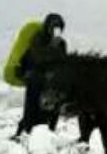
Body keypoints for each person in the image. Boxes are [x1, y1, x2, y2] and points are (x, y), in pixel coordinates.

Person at [7, 12, 66, 140]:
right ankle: (23, 135)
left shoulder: (61, 43)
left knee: (51, 112)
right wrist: (52, 48)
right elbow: (37, 57)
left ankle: (47, 137)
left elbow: (62, 62)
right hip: (35, 80)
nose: (56, 31)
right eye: (54, 27)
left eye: (59, 28)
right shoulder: (38, 39)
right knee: (31, 111)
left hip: (51, 84)